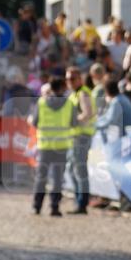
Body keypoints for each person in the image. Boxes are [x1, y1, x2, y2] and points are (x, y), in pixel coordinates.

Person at [30, 76, 75, 217]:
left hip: (44, 145)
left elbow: (35, 122)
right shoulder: (69, 104)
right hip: (61, 146)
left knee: (41, 177)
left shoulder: (42, 103)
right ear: (62, 87)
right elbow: (74, 123)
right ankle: (54, 207)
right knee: (57, 179)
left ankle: (37, 207)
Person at [65, 66, 95, 214]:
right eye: (67, 79)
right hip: (74, 136)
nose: (69, 81)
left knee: (79, 170)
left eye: (72, 78)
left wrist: (73, 120)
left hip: (82, 135)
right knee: (71, 169)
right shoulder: (73, 95)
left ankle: (82, 203)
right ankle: (79, 200)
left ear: (79, 79)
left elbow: (88, 113)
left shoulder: (83, 93)